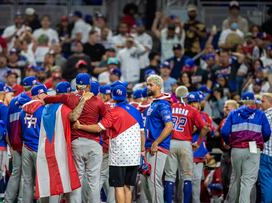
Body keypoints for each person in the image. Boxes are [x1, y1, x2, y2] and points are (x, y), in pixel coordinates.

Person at [74, 84, 144, 203]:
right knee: (128, 187)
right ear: (126, 95)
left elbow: (98, 128)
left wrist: (80, 126)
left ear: (112, 96)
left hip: (119, 156)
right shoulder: (136, 111)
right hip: (134, 155)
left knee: (118, 187)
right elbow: (142, 133)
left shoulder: (112, 112)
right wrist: (142, 151)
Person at [44, 73, 106, 203]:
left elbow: (48, 99)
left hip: (76, 143)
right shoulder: (98, 101)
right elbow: (105, 121)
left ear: (76, 85)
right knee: (94, 180)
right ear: (89, 85)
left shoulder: (69, 97)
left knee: (76, 179)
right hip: (94, 143)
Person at [221, 92, 271, 203]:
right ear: (253, 101)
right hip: (253, 149)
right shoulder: (260, 114)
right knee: (247, 181)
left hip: (237, 149)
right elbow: (267, 132)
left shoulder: (233, 114)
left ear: (241, 101)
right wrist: (261, 142)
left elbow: (224, 131)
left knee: (236, 180)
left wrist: (229, 142)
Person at [164, 86, 209, 203]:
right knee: (187, 176)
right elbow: (204, 128)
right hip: (185, 144)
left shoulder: (170, 107)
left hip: (171, 142)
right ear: (187, 96)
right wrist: (198, 143)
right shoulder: (192, 110)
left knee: (170, 176)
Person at [140, 75, 173, 203]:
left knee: (154, 180)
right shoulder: (154, 103)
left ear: (158, 86)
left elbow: (169, 125)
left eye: (150, 85)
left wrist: (156, 142)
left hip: (158, 147)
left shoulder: (163, 104)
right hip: (150, 146)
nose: (148, 87)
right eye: (147, 84)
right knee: (146, 181)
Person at [5, 76, 37, 203]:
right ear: (33, 87)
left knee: (16, 173)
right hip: (27, 141)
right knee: (27, 175)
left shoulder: (13, 101)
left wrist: (11, 143)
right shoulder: (32, 100)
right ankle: (22, 200)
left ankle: (8, 200)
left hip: (14, 140)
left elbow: (7, 123)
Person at [18, 84, 46, 202]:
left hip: (26, 147)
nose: (46, 96)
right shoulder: (44, 110)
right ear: (39, 95)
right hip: (39, 147)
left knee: (27, 180)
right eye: (44, 94)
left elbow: (19, 131)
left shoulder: (22, 110)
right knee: (41, 180)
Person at [217, 99, 239, 198]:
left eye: (227, 107)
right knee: (224, 178)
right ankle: (225, 197)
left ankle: (232, 199)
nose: (225, 109)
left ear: (235, 108)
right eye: (225, 107)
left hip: (233, 152)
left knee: (232, 179)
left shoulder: (238, 120)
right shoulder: (223, 120)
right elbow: (218, 134)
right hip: (224, 153)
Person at [259, 93, 272, 203]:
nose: (260, 103)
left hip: (267, 156)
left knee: (266, 185)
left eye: (263, 101)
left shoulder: (264, 116)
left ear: (270, 103)